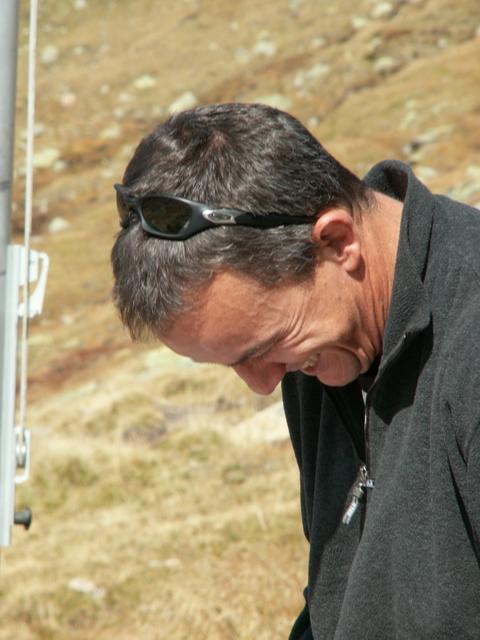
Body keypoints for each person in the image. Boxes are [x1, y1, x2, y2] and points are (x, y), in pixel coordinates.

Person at [110, 103, 480, 639]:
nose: (263, 383)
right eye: (232, 363)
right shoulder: (323, 350)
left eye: (264, 348)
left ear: (337, 241)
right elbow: (340, 605)